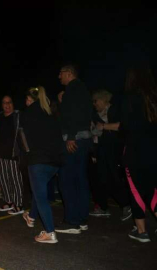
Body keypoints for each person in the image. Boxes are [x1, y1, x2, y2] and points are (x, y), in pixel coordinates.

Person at [21, 86, 63, 243]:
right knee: (40, 192)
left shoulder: (28, 114)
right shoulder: (50, 113)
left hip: (38, 160)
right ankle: (31, 217)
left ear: (29, 100)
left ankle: (50, 233)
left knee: (40, 197)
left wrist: (27, 156)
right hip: (54, 162)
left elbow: (24, 140)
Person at [120, 65, 157, 243]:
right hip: (153, 151)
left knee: (136, 190)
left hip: (135, 150)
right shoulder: (153, 98)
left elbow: (125, 126)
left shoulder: (130, 98)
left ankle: (141, 231)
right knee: (152, 190)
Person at [56, 63, 92, 234]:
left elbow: (72, 114)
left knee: (66, 179)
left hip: (74, 139)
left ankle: (72, 221)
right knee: (80, 179)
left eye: (61, 73)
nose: (59, 77)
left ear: (69, 73)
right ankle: (82, 218)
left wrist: (70, 136)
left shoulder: (72, 88)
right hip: (84, 139)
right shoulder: (83, 88)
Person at [89, 89, 131, 221]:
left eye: (95, 101)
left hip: (115, 150)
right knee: (101, 177)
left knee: (115, 177)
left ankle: (126, 205)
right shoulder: (95, 115)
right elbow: (95, 133)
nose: (94, 104)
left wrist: (104, 126)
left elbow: (122, 127)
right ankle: (103, 206)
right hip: (102, 150)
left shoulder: (115, 110)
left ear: (102, 100)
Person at [0, 95, 24, 215]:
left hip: (13, 152)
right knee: (4, 179)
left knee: (15, 179)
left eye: (9, 102)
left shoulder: (17, 116)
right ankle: (9, 201)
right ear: (2, 104)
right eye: (5, 103)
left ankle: (19, 204)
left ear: (13, 103)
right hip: (1, 153)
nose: (7, 105)